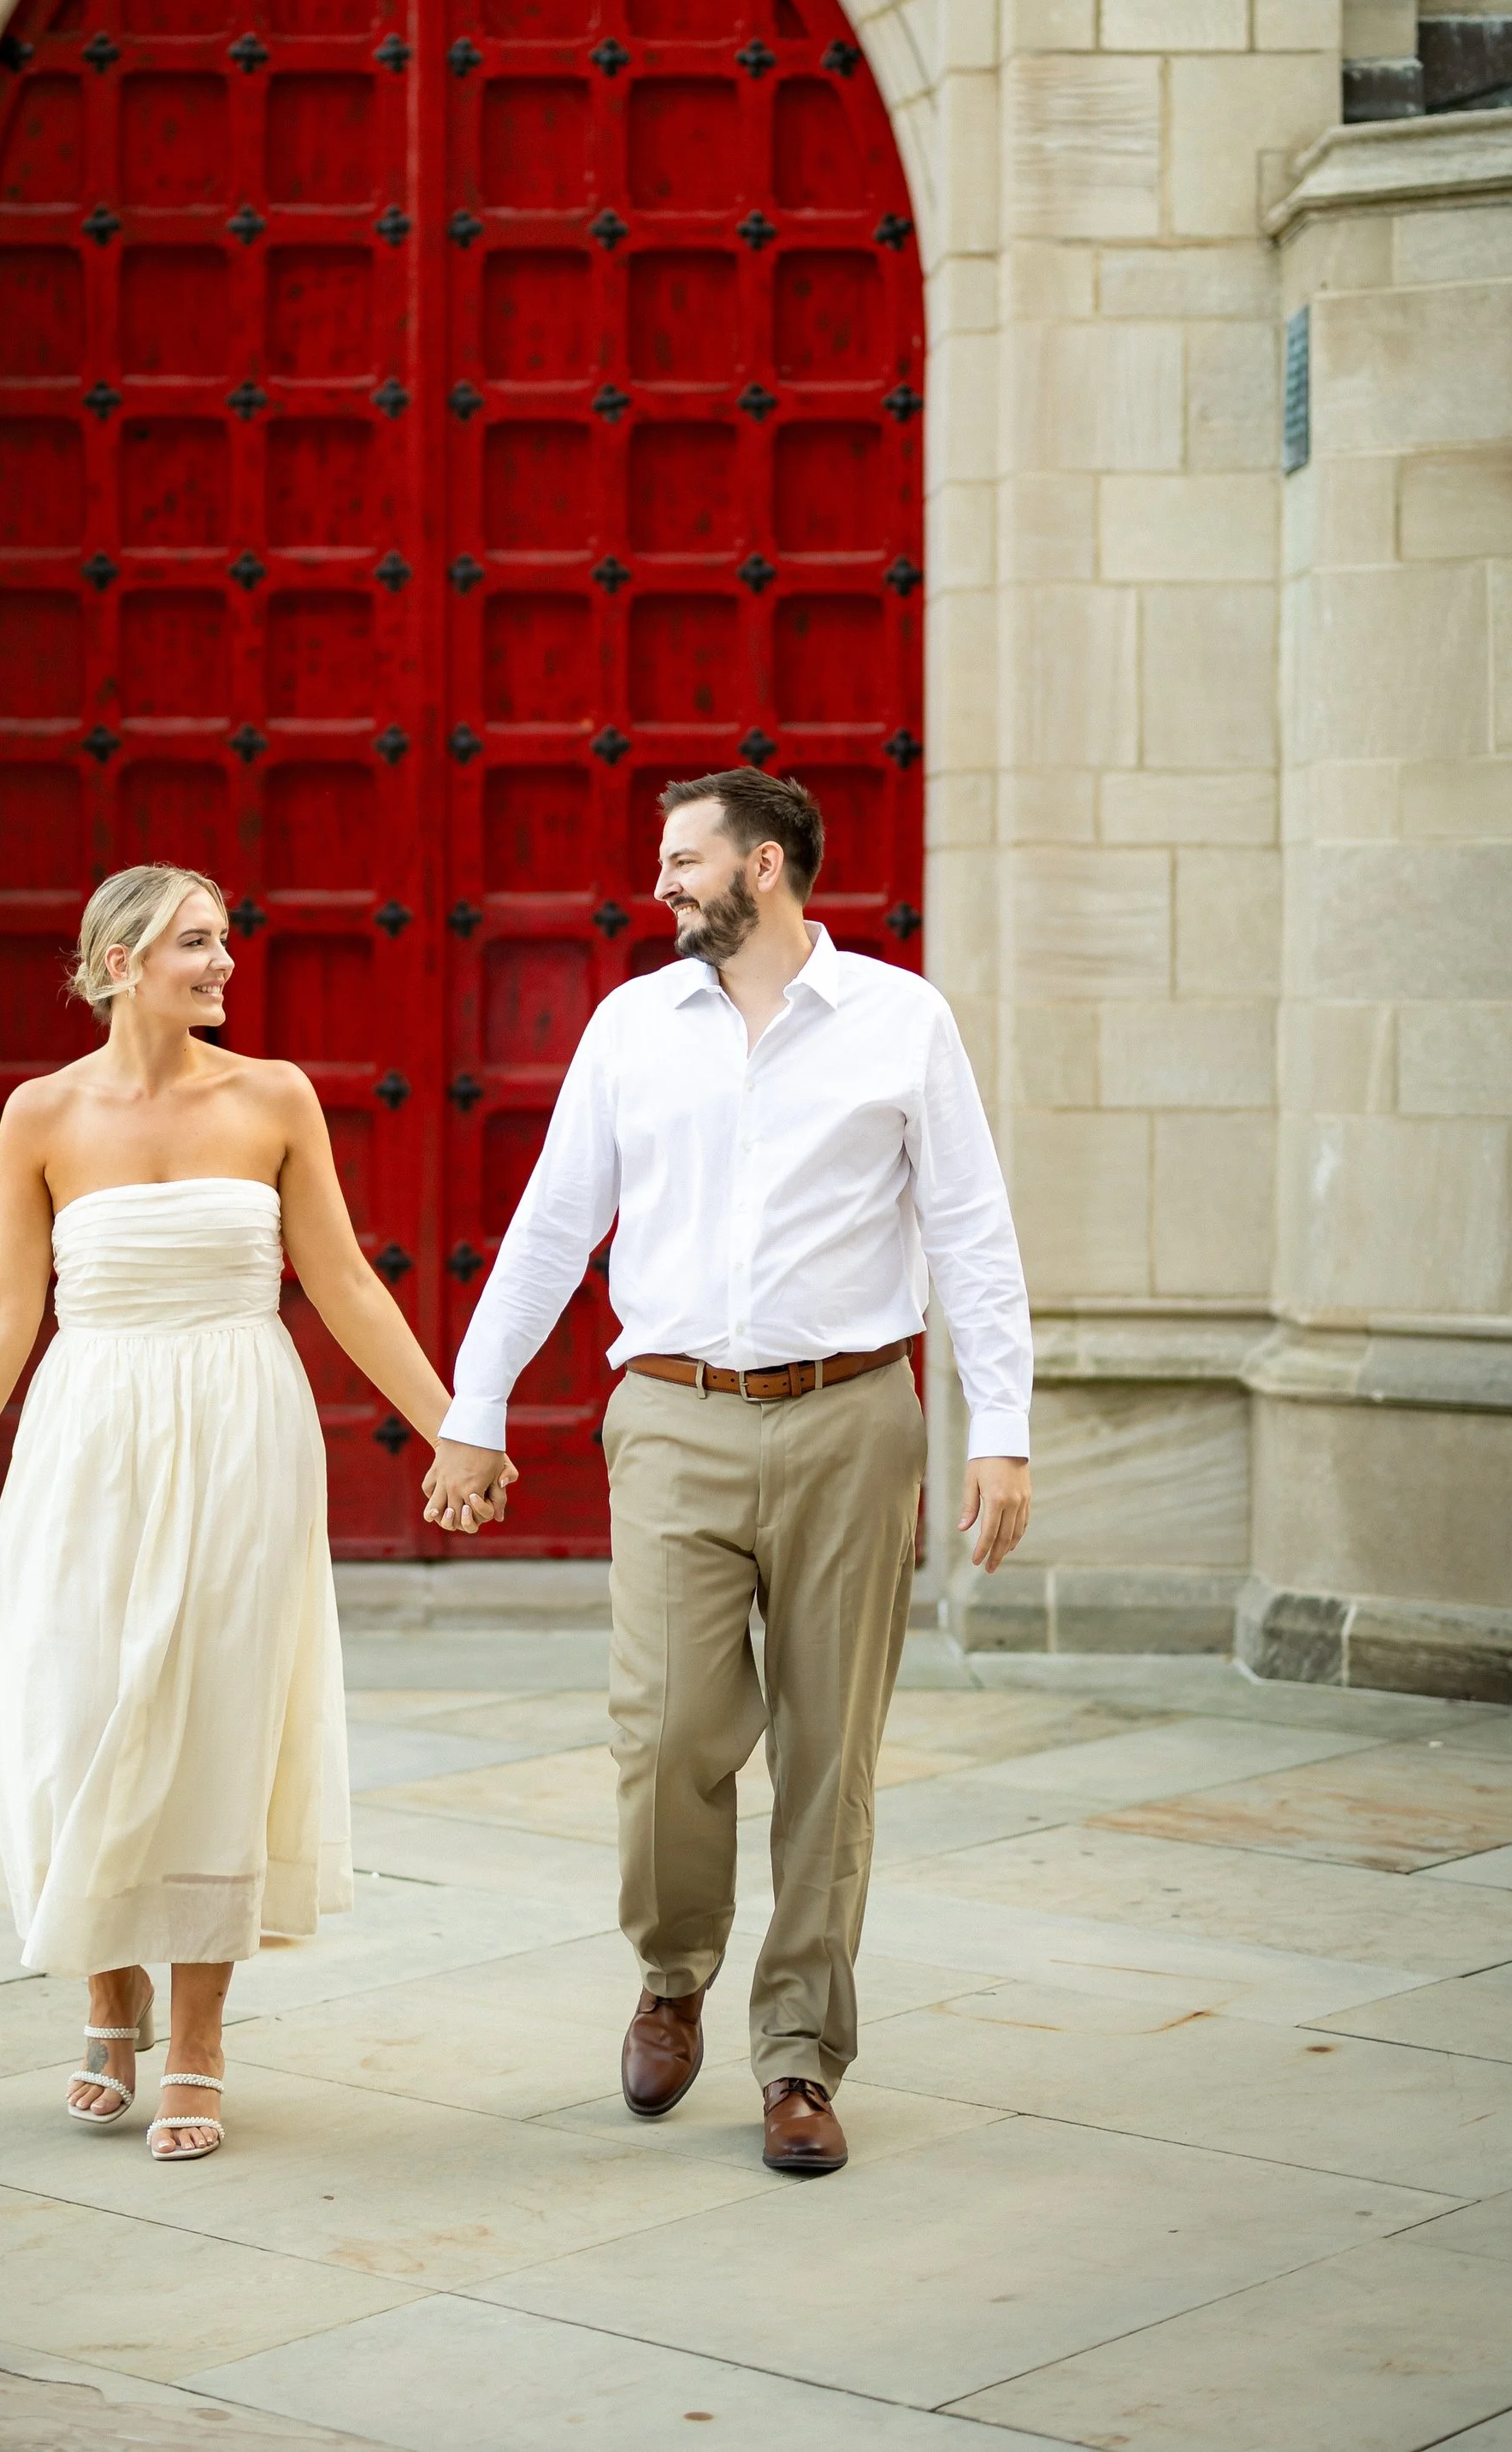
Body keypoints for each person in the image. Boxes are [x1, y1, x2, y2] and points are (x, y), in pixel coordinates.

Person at [437, 769, 1031, 2177]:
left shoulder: (904, 1019)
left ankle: (800, 2056)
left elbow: (970, 1229)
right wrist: (477, 1404)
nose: (663, 882)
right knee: (664, 1731)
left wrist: (998, 1425)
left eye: (684, 858)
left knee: (832, 1752)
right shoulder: (632, 1026)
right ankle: (671, 1969)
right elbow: (549, 1226)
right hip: (676, 1416)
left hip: (850, 1418)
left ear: (764, 866)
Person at [0, 863, 514, 2161]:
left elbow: (342, 1278)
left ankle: (197, 2038)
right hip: (90, 1431)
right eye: (195, 942)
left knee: (214, 1719)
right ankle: (105, 1991)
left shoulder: (274, 1095)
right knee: (77, 1709)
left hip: (241, 1424)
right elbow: (8, 1307)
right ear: (120, 961)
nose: (224, 962)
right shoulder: (41, 1114)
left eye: (224, 939)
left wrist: (453, 1420)